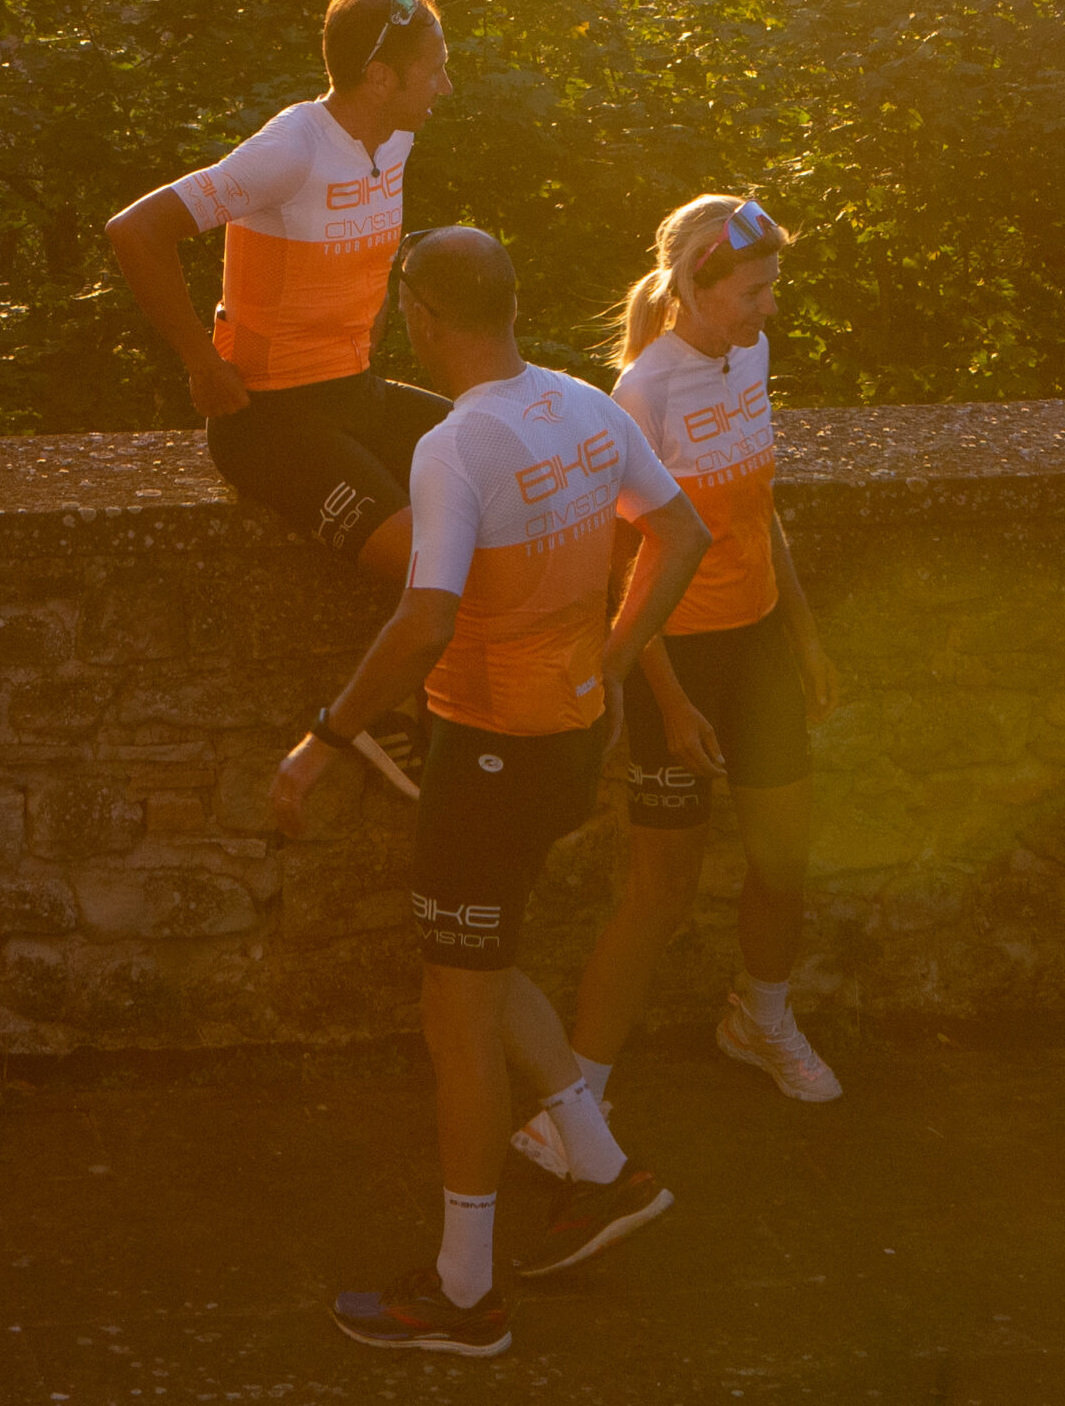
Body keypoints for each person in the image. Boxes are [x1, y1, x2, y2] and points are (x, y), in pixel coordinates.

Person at [270, 227, 715, 1358]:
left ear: (421, 316)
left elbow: (425, 618)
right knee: (485, 951)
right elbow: (681, 533)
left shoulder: (456, 445)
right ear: (509, 304)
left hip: (489, 754)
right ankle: (603, 1171)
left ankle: (463, 1296)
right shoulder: (582, 405)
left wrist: (327, 736)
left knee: (455, 1015)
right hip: (571, 738)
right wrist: (617, 661)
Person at [525, 194, 841, 1163]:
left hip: (758, 643)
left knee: (783, 860)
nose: (768, 308)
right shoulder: (642, 392)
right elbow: (623, 562)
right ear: (698, 288)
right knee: (659, 891)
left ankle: (760, 1020)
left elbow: (759, 507)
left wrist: (804, 636)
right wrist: (669, 698)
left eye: (771, 289)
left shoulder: (751, 354)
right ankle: (576, 1104)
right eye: (753, 291)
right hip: (677, 658)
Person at [104, 0, 452, 582]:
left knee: (518, 462)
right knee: (433, 567)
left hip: (356, 394)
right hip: (266, 422)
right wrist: (202, 364)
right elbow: (136, 230)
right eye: (434, 71)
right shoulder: (290, 151)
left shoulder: (395, 138)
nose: (445, 86)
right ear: (379, 79)